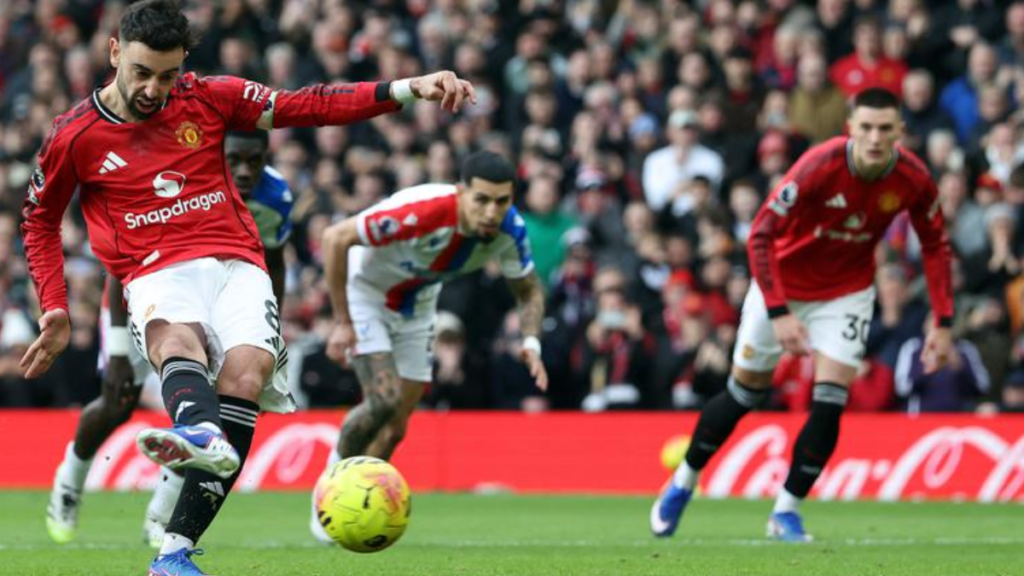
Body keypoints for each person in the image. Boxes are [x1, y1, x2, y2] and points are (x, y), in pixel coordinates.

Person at [19, 1, 474, 574]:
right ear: (114, 53)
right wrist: (55, 306)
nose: (154, 89)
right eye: (142, 73)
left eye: (168, 75)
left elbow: (312, 105)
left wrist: (408, 88)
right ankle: (195, 433)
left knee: (246, 376)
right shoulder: (74, 135)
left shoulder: (210, 96)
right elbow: (38, 220)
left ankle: (173, 550)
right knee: (175, 341)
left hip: (236, 260)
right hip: (155, 268)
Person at [650, 88, 954, 542]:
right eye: (866, 127)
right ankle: (683, 481)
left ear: (900, 131)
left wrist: (943, 322)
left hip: (846, 293)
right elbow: (759, 234)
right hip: (782, 286)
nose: (874, 138)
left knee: (830, 402)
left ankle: (786, 511)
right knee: (743, 396)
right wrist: (779, 312)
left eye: (884, 129)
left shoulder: (913, 178)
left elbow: (935, 246)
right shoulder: (819, 165)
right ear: (850, 127)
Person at [44, 130, 293, 548]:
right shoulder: (182, 177)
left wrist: (268, 331)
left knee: (211, 407)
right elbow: (122, 264)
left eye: (255, 160)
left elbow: (277, 261)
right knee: (117, 401)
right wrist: (119, 350)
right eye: (234, 159)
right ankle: (69, 480)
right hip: (146, 295)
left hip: (222, 293)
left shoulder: (276, 196)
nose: (244, 171)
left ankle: (160, 516)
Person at [310, 150, 548, 542]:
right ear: (461, 192)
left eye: (502, 201)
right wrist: (341, 322)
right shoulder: (423, 212)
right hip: (366, 294)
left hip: (418, 307)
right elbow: (335, 237)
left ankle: (357, 502)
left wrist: (532, 340)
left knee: (395, 428)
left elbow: (528, 290)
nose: (492, 212)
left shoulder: (510, 231)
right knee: (383, 400)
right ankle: (330, 489)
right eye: (482, 200)